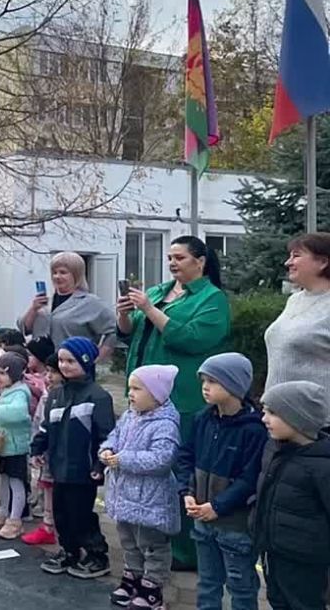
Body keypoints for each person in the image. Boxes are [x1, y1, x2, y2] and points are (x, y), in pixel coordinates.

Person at [117, 235, 230, 569]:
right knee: (148, 468)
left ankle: (186, 551)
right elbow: (129, 332)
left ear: (201, 261)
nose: (172, 263)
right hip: (143, 398)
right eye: (169, 257)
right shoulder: (158, 291)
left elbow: (191, 338)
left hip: (182, 399)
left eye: (179, 257)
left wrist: (149, 310)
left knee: (179, 472)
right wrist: (125, 314)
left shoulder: (213, 299)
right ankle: (153, 542)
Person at [175, 353, 267, 610]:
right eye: (204, 380)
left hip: (235, 526)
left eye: (213, 381)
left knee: (241, 586)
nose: (205, 386)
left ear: (235, 385)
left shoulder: (254, 429)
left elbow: (250, 479)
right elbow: (186, 456)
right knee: (207, 582)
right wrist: (187, 491)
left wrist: (218, 506)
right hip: (202, 520)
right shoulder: (202, 418)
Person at [31, 336, 114, 579]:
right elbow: (46, 428)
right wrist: (37, 449)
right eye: (61, 361)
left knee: (82, 514)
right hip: (59, 468)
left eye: (71, 361)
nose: (64, 366)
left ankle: (97, 555)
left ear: (86, 361)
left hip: (84, 470)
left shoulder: (98, 396)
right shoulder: (56, 395)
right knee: (61, 514)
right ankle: (69, 551)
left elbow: (106, 435)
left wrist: (100, 464)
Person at [100, 365, 181, 609]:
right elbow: (114, 435)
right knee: (128, 539)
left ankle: (152, 586)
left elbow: (162, 459)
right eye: (129, 388)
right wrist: (108, 449)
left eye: (137, 388)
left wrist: (123, 458)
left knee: (153, 544)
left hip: (151, 500)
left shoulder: (165, 424)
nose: (130, 394)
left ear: (157, 394)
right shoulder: (130, 415)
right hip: (125, 495)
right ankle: (132, 576)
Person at [254, 381, 330, 610]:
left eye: (273, 413)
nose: (264, 419)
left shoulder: (322, 466)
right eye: (264, 411)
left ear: (299, 418)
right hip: (272, 552)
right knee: (278, 601)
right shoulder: (274, 450)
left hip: (304, 561)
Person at [264, 233, 330, 427]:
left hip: (317, 425)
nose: (288, 262)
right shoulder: (294, 300)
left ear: (323, 262)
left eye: (296, 256)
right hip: (279, 419)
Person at [19, 252, 116, 360]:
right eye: (54, 272)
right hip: (41, 370)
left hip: (72, 368)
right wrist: (33, 309)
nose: (57, 277)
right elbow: (24, 329)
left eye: (63, 272)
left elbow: (113, 332)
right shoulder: (44, 303)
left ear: (76, 275)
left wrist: (96, 359)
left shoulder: (90, 303)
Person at [0, 352, 32, 540]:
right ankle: (1, 512)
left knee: (17, 483)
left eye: (3, 373)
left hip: (15, 447)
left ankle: (15, 519)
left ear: (15, 375)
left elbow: (17, 413)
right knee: (2, 481)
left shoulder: (20, 393)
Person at [21, 353, 62, 546]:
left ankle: (56, 527)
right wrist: (36, 447)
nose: (49, 377)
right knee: (46, 488)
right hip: (45, 452)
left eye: (54, 372)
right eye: (48, 372)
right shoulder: (48, 396)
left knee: (57, 492)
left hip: (60, 455)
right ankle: (47, 526)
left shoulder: (63, 398)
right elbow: (39, 424)